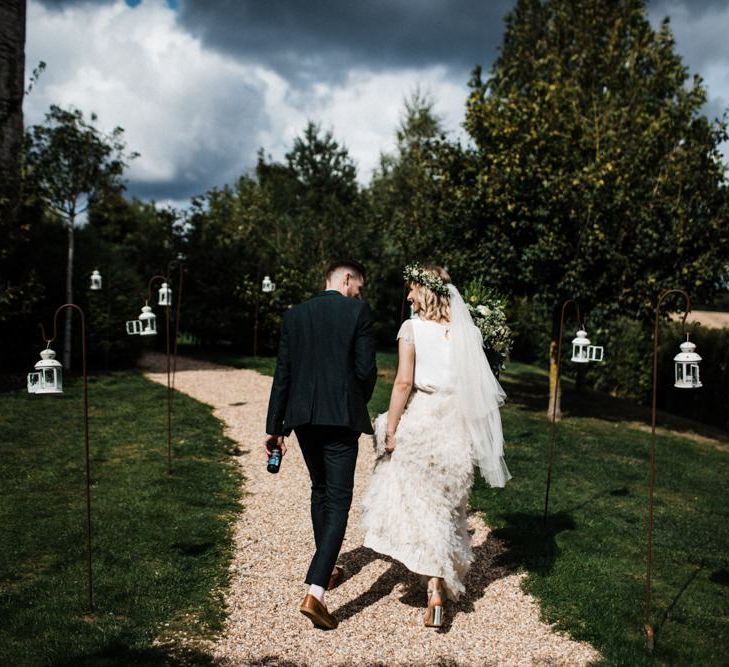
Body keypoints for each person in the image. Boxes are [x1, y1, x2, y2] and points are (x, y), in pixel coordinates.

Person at [361, 263, 510, 628]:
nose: (408, 296)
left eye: (411, 289)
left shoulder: (411, 329)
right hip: (457, 428)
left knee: (420, 507)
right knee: (447, 509)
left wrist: (391, 427)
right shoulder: (467, 332)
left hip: (424, 422)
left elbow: (402, 383)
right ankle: (437, 588)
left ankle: (434, 589)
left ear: (425, 291)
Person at [265, 259, 377, 630]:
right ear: (347, 279)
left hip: (303, 418)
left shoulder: (296, 315)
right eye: (358, 286)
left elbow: (284, 372)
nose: (359, 293)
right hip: (341, 418)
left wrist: (274, 426)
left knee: (320, 490)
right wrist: (355, 400)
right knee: (340, 500)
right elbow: (365, 371)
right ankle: (316, 592)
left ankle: (325, 570)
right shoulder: (358, 311)